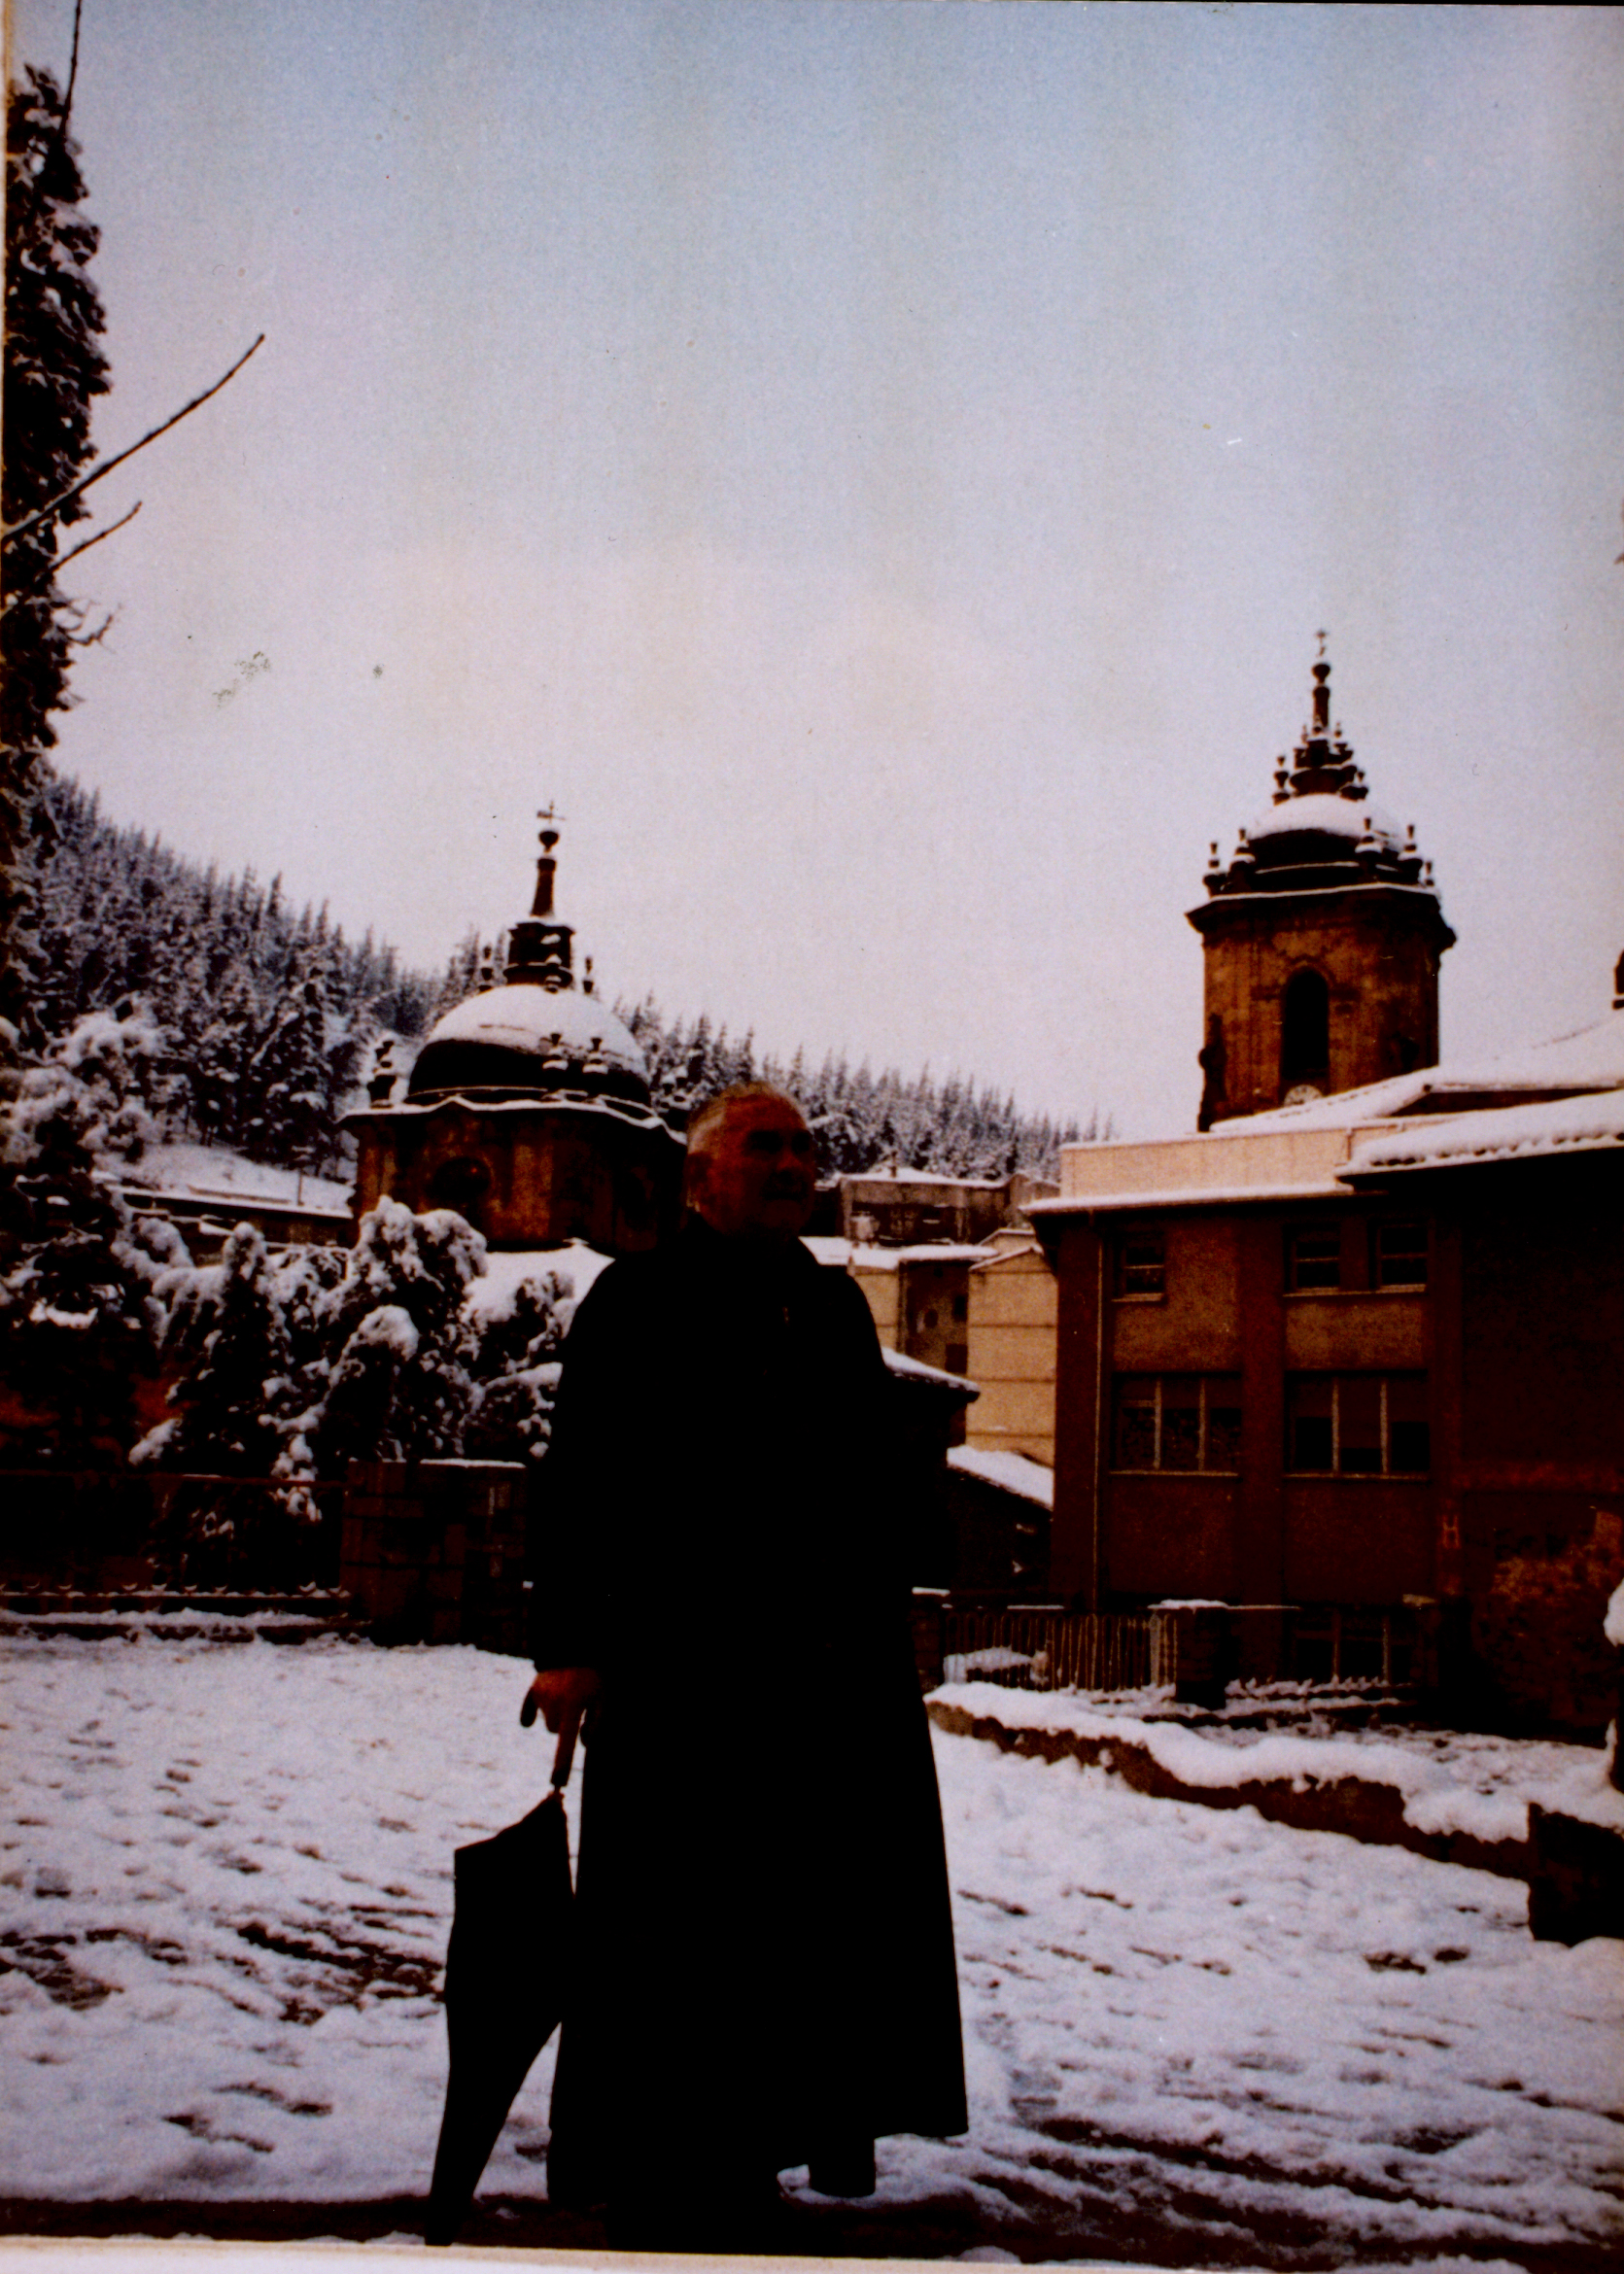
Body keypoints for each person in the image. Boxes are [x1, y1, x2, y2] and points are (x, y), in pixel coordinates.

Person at [522, 1082, 966, 2249]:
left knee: (791, 1932)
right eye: (763, 1147)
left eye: (802, 1149)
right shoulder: (635, 1301)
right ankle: (650, 2166)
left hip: (819, 1686)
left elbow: (872, 1484)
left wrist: (883, 1634)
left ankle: (751, 2152)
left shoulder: (833, 1311)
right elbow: (578, 1481)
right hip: (677, 1680)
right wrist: (569, 1644)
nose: (788, 1164)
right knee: (667, 1931)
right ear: (701, 1174)